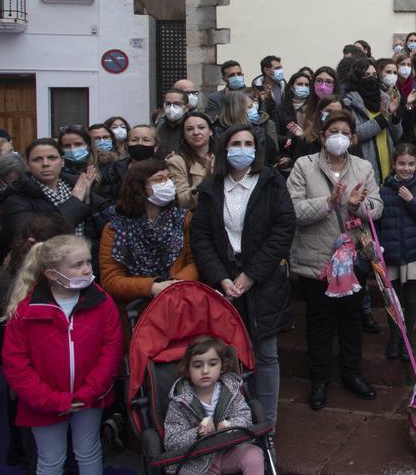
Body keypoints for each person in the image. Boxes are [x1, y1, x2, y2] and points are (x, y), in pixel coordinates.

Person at [191, 125, 294, 424]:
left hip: (262, 279)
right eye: (236, 143)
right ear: (224, 148)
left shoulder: (271, 181)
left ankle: (267, 426)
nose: (242, 148)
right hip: (225, 279)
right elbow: (201, 236)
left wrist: (252, 274)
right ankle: (238, 421)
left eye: (249, 143)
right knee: (230, 356)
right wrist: (220, 276)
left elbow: (283, 228)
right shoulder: (211, 187)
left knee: (266, 355)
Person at [1, 234, 121, 475]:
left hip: (89, 397)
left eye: (88, 262)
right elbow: (16, 364)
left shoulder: (102, 302)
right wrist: (53, 400)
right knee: (51, 459)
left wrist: (88, 392)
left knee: (88, 450)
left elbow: (112, 350)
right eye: (78, 265)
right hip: (43, 403)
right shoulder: (26, 311)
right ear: (51, 274)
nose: (87, 269)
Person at [287, 110, 381, 410]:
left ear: (352, 137)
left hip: (351, 259)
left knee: (352, 320)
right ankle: (320, 381)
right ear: (323, 136)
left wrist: (357, 206)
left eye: (344, 131)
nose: (338, 137)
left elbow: (377, 207)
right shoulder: (304, 165)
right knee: (318, 322)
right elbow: (294, 210)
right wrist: (329, 203)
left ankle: (353, 375)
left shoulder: (363, 166)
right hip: (316, 259)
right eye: (332, 131)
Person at [98, 159, 198, 312]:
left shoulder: (183, 219)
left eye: (169, 178)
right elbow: (111, 279)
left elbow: (194, 262)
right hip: (136, 309)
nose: (168, 183)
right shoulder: (115, 228)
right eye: (159, 179)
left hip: (179, 303)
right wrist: (151, 287)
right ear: (139, 187)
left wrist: (175, 283)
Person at [163, 335, 264, 475]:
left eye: (212, 364)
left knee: (254, 455)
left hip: (229, 451)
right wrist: (197, 433)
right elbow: (172, 441)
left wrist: (231, 426)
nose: (205, 371)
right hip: (197, 463)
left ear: (222, 367)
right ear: (188, 370)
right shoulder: (180, 402)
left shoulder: (231, 390)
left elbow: (246, 418)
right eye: (198, 366)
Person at [377, 144, 416, 361]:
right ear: (394, 164)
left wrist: (412, 201)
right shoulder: (384, 190)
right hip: (390, 251)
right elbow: (379, 222)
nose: (406, 168)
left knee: (410, 297)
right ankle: (394, 338)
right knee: (393, 298)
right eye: (401, 163)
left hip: (412, 251)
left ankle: (406, 338)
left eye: (410, 164)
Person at [0, 139, 107, 249]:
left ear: (62, 162)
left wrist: (87, 200)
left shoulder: (76, 185)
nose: (46, 164)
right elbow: (34, 236)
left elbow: (108, 218)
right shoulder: (16, 197)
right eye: (37, 159)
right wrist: (75, 202)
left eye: (52, 158)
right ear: (28, 165)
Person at [341, 58, 403, 185]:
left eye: (374, 75)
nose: (371, 78)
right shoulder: (349, 102)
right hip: (365, 167)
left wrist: (394, 116)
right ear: (357, 77)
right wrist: (382, 119)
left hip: (387, 163)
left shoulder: (384, 98)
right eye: (366, 75)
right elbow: (356, 134)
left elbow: (396, 136)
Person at [217, 91, 280, 167]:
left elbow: (272, 156)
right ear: (238, 111)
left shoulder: (259, 132)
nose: (254, 109)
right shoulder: (215, 135)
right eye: (250, 107)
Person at [167, 111, 215, 211]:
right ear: (184, 135)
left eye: (201, 127)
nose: (196, 132)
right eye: (189, 129)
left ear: (210, 131)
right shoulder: (176, 162)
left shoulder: (223, 157)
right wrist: (204, 180)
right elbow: (182, 201)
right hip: (197, 219)